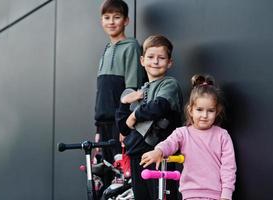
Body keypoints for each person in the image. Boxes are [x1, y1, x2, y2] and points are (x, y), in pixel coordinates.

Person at [140, 74, 237, 200]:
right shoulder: (183, 133)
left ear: (217, 111)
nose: (205, 115)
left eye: (210, 111)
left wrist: (226, 195)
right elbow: (170, 143)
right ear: (190, 110)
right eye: (199, 109)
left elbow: (228, 167)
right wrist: (159, 151)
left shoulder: (222, 136)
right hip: (190, 194)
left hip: (216, 195)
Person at [116, 35, 183, 200]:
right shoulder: (141, 90)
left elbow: (159, 106)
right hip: (137, 157)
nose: (155, 61)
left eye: (161, 58)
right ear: (142, 60)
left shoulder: (169, 84)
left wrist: (134, 116)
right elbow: (123, 128)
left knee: (161, 196)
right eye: (151, 57)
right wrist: (124, 103)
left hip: (158, 155)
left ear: (169, 62)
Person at [94, 0, 144, 187]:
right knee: (103, 176)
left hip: (119, 123)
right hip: (102, 122)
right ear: (102, 21)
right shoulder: (106, 49)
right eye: (107, 17)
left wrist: (125, 123)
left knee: (122, 178)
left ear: (126, 21)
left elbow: (132, 89)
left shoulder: (131, 47)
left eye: (117, 17)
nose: (111, 22)